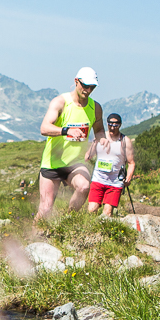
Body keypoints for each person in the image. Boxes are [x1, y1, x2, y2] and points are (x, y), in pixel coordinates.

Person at [36, 66, 104, 217]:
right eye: (85, 85)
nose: (88, 90)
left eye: (92, 87)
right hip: (52, 163)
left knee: (84, 187)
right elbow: (44, 128)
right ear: (76, 81)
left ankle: (68, 219)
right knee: (45, 210)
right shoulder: (61, 102)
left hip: (75, 163)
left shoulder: (95, 108)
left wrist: (102, 140)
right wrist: (66, 131)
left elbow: (99, 130)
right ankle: (34, 232)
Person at [87, 111, 136, 217]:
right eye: (110, 125)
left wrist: (128, 178)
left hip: (115, 182)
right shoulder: (100, 137)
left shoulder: (125, 141)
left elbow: (131, 163)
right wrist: (94, 143)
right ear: (107, 123)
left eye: (116, 125)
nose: (112, 128)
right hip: (98, 179)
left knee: (107, 213)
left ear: (120, 125)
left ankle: (106, 227)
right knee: (92, 210)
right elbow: (88, 156)